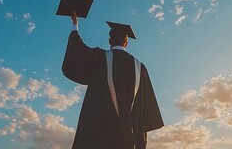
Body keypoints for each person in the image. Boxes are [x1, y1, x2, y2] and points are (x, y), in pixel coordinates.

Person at [62, 12, 164, 149]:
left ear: (110, 41)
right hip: (130, 136)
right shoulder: (141, 68)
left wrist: (75, 25)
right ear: (126, 42)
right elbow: (146, 110)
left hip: (100, 134)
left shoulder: (100, 57)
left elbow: (78, 50)